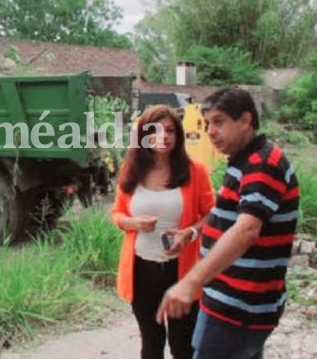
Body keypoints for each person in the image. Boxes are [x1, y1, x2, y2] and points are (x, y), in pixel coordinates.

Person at [156, 88, 300, 359]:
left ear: (245, 120)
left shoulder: (263, 164)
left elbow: (246, 229)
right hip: (230, 301)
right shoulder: (242, 162)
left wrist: (190, 282)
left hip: (238, 308)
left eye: (219, 121)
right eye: (208, 123)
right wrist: (192, 231)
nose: (210, 131)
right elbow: (227, 214)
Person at [111, 105, 215, 359]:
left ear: (178, 135)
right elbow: (118, 215)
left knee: (183, 344)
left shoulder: (195, 171)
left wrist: (189, 232)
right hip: (141, 270)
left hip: (181, 269)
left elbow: (213, 214)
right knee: (151, 342)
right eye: (155, 130)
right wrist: (134, 223)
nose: (163, 136)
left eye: (169, 130)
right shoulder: (131, 171)